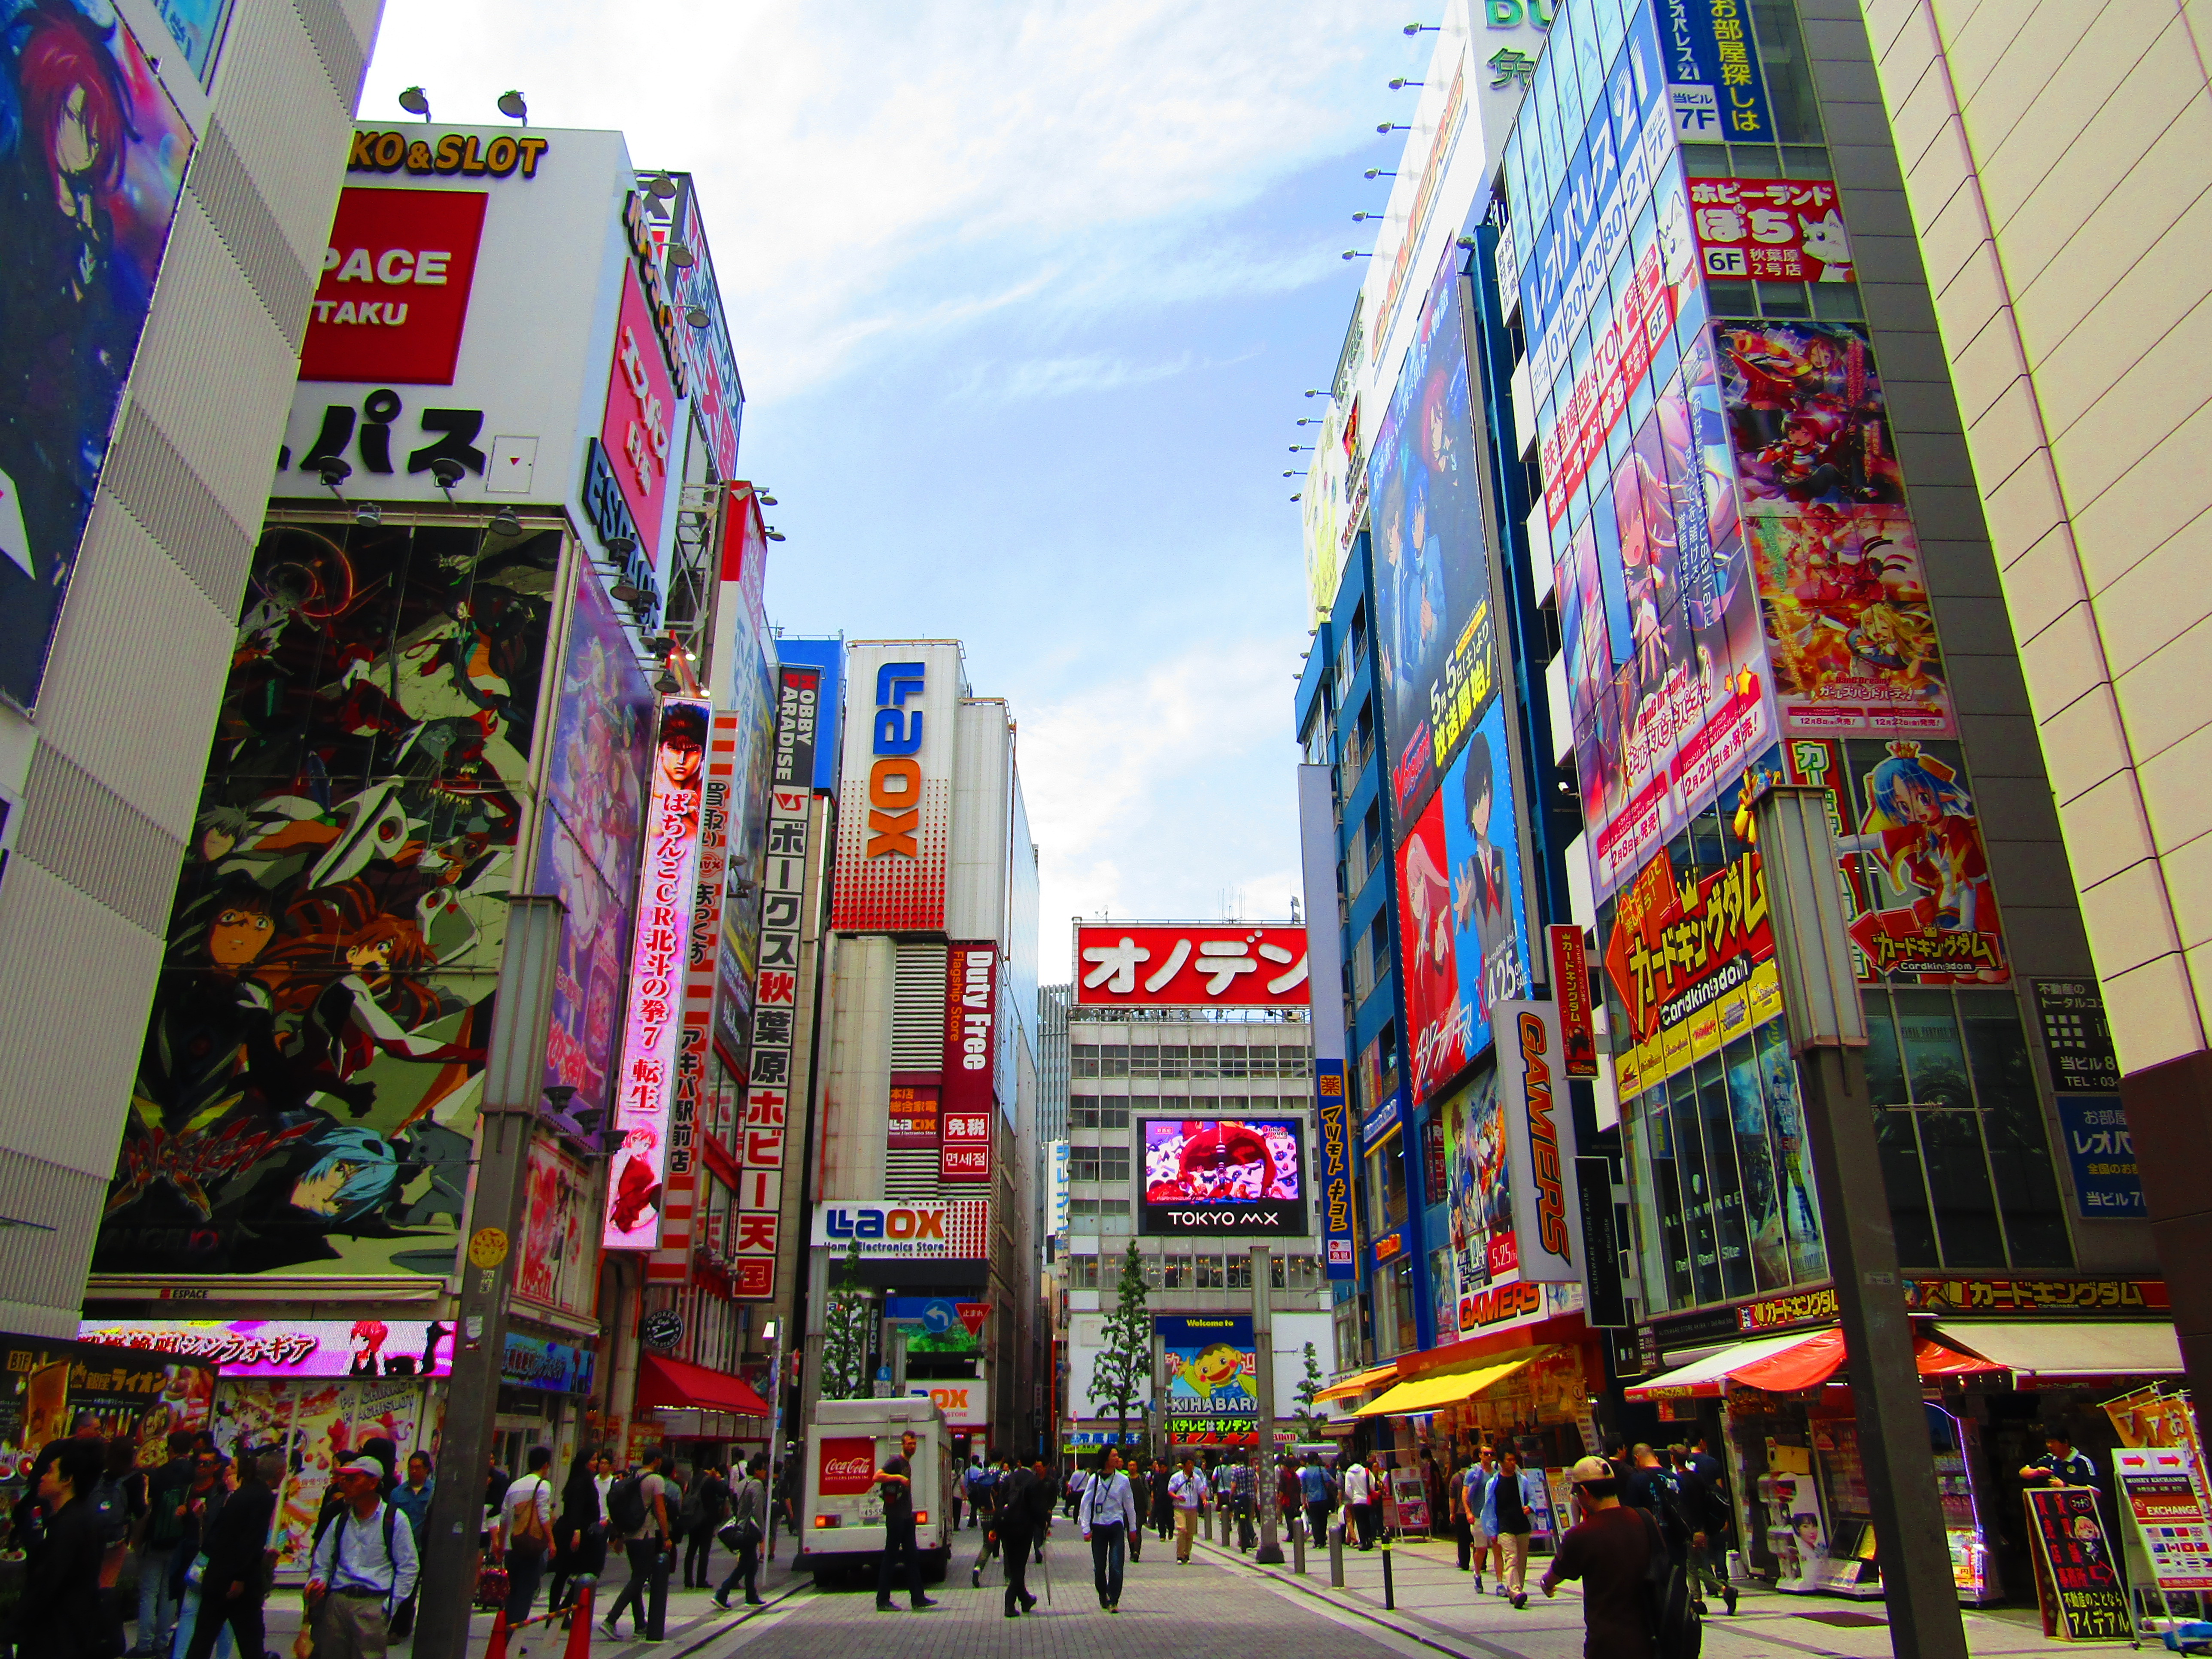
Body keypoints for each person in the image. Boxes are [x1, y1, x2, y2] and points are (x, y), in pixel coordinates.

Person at [1541, 1455, 1656, 1659]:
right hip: (1652, 1639)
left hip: (1608, 1645)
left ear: (1584, 1492)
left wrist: (1546, 1585)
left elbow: (1556, 1574)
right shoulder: (1645, 1519)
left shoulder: (1581, 1535)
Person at [306, 1454, 421, 1659]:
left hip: (373, 1603)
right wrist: (319, 1584)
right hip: (338, 1601)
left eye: (352, 1479)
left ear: (373, 1483)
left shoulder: (394, 1520)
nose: (345, 1485)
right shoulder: (341, 1520)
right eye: (343, 1479)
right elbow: (322, 1562)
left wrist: (388, 1607)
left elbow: (409, 1566)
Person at [181, 1448, 281, 1659]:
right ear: (280, 1472)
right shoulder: (261, 1497)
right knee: (250, 1640)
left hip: (217, 1574)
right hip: (237, 1580)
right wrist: (240, 1577)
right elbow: (250, 1539)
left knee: (204, 1637)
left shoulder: (240, 1494)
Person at [15, 1438, 106, 1657]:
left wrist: (13, 1630)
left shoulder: (69, 1526)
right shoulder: (80, 1517)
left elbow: (46, 1584)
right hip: (70, 1631)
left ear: (67, 1480)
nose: (42, 1478)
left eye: (49, 1471)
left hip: (55, 1636)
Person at [131, 1429, 197, 1656]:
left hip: (156, 1538)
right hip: (181, 1541)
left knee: (149, 1592)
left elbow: (148, 1506)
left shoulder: (158, 1474)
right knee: (169, 1592)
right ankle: (162, 1641)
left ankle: (144, 1645)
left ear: (170, 1449)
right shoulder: (195, 1473)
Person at [602, 1449, 675, 1641]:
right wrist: (666, 1537)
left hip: (629, 1534)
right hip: (645, 1535)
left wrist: (618, 1536)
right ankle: (611, 1619)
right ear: (657, 1460)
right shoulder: (656, 1480)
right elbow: (660, 1509)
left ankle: (640, 1623)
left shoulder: (633, 1476)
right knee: (640, 1578)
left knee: (637, 1577)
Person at [870, 1429, 933, 1612]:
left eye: (914, 1444)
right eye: (909, 1444)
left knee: (912, 1557)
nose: (912, 1447)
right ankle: (882, 1600)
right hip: (895, 1517)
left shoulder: (907, 1463)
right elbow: (877, 1477)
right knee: (890, 1558)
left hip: (906, 1517)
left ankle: (918, 1598)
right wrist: (898, 1477)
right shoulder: (896, 1462)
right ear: (903, 1444)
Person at [497, 1445, 556, 1628]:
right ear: (546, 1465)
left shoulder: (514, 1485)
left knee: (513, 1593)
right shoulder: (543, 1485)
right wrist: (552, 1541)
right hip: (531, 1546)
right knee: (526, 1594)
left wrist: (500, 1544)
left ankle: (505, 1634)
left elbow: (505, 1516)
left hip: (511, 1547)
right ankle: (513, 1638)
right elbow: (544, 1515)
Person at [1079, 1447, 1139, 1614]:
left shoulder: (1123, 1480)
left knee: (1116, 1564)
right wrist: (1086, 1528)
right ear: (1106, 1459)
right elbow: (1086, 1504)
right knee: (1099, 1568)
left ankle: (1114, 1599)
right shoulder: (1094, 1479)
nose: (1117, 1458)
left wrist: (1133, 1528)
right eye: (1114, 1456)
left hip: (1116, 1525)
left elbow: (1129, 1505)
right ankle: (1102, 1593)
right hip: (1098, 1526)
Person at [549, 1448, 607, 1616]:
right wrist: (577, 1532)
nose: (596, 1463)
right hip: (579, 1533)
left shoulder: (578, 1480)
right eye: (594, 1459)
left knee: (563, 1573)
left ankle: (555, 1612)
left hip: (574, 1530)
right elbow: (576, 1509)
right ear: (585, 1462)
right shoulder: (583, 1482)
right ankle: (560, 1611)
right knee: (589, 1571)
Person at [995, 1458, 1052, 1618]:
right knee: (1020, 1566)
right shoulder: (1034, 1481)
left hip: (1006, 1526)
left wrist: (996, 1527)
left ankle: (1026, 1599)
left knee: (1013, 1564)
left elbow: (1000, 1502)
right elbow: (1036, 1508)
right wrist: (1044, 1524)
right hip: (1024, 1528)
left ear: (1019, 1463)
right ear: (1034, 1464)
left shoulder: (1009, 1478)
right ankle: (1009, 1603)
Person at [387, 1452, 435, 1636]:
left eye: (418, 1468)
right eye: (411, 1468)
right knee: (401, 1587)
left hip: (424, 1547)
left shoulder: (434, 1491)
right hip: (401, 1547)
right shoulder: (398, 1493)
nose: (413, 1472)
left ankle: (406, 1626)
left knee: (417, 1589)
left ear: (426, 1470)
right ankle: (398, 1626)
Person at [1481, 1447, 1537, 1607]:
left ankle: (1517, 1592)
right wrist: (1492, 1531)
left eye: (1514, 1460)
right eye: (1510, 1460)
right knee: (1511, 1558)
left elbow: (1532, 1499)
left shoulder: (1522, 1480)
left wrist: (1530, 1507)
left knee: (1522, 1561)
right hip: (1504, 1526)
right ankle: (1515, 1590)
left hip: (1522, 1525)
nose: (1513, 1463)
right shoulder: (1493, 1483)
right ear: (1501, 1462)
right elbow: (1489, 1508)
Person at [714, 1453, 769, 1610]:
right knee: (745, 1565)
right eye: (764, 1470)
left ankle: (751, 1595)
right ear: (758, 1471)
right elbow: (757, 1510)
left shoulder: (742, 1483)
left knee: (751, 1563)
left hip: (740, 1527)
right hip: (750, 1530)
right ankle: (722, 1593)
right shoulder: (757, 1485)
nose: (765, 1473)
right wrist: (763, 1533)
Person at [680, 1461, 728, 1589]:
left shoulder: (693, 1479)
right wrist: (719, 1480)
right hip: (707, 1520)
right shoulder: (712, 1481)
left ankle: (688, 1580)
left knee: (691, 1549)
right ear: (713, 1469)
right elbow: (724, 1492)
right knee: (704, 1551)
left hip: (693, 1518)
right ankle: (701, 1580)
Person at [2021, 1428, 2097, 1489]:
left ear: (2065, 1442)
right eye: (2048, 1442)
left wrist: (2065, 1486)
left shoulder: (2083, 1462)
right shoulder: (2049, 1458)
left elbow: (2095, 1492)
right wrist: (2037, 1472)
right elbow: (2023, 1473)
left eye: (2053, 1442)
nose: (2050, 1446)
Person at [1169, 1452, 1210, 1564]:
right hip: (1180, 1508)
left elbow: (1201, 1491)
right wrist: (1177, 1497)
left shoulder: (1196, 1478)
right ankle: (1180, 1555)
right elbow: (1170, 1491)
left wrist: (1204, 1500)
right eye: (1188, 1464)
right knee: (1182, 1530)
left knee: (1190, 1533)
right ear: (1184, 1465)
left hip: (1193, 1508)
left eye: (1192, 1464)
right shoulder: (1176, 1477)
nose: (1191, 1466)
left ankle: (1187, 1554)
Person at [968, 1455, 1002, 1587]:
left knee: (987, 1545)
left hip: (985, 1515)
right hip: (999, 1515)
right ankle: (1008, 1578)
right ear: (1002, 1459)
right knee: (1007, 1544)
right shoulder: (1002, 1474)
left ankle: (978, 1568)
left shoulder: (982, 1473)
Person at [1297, 1450, 1337, 1549]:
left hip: (1312, 1500)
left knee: (1315, 1521)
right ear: (1316, 1460)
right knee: (1323, 1520)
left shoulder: (1305, 1473)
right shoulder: (1322, 1470)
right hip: (1323, 1498)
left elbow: (1304, 1490)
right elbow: (1329, 1482)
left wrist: (1304, 1503)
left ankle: (1317, 1540)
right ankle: (1323, 1539)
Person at [1341, 1453, 1378, 1550]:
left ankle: (1363, 1542)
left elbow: (1347, 1490)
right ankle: (1370, 1540)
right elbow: (1372, 1485)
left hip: (1356, 1501)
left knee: (1360, 1522)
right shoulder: (1366, 1471)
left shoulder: (1349, 1473)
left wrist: (1353, 1497)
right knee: (1367, 1520)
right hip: (1367, 1500)